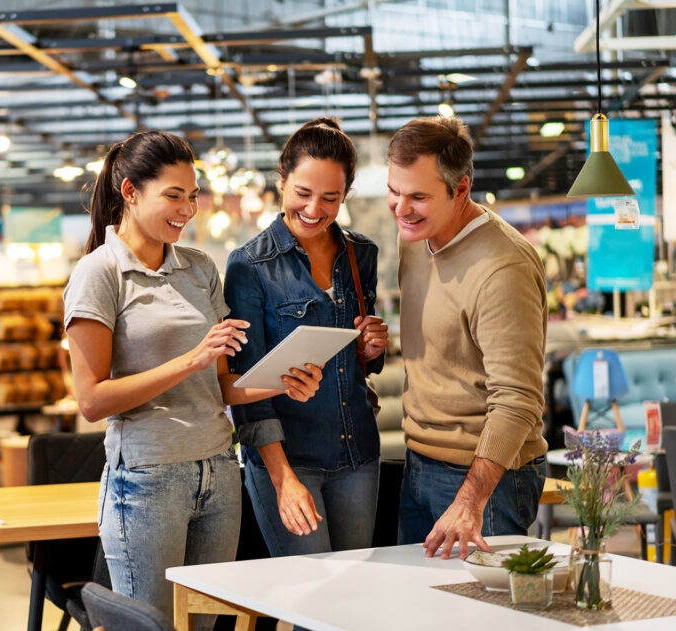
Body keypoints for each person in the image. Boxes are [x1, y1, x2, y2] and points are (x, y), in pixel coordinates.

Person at [63, 130, 323, 623]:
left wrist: (282, 380)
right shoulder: (98, 273)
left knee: (206, 624)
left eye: (192, 195)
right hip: (145, 482)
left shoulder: (200, 268)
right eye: (173, 196)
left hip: (219, 472)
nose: (187, 209)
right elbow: (92, 401)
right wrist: (190, 359)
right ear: (131, 192)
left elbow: (222, 385)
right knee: (151, 624)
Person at [224, 118, 389, 560]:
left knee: (354, 599)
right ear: (281, 181)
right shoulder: (250, 266)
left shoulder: (361, 255)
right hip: (289, 459)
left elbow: (359, 362)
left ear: (345, 195)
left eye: (330, 198)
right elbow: (245, 387)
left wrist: (371, 349)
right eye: (303, 193)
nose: (315, 208)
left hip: (358, 455)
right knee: (310, 602)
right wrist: (282, 478)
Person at [387, 116, 548, 559]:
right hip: (418, 462)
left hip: (485, 480)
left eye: (418, 196)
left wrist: (469, 500)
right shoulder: (415, 239)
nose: (401, 208)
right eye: (394, 192)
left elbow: (518, 399)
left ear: (461, 190)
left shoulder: (503, 267)